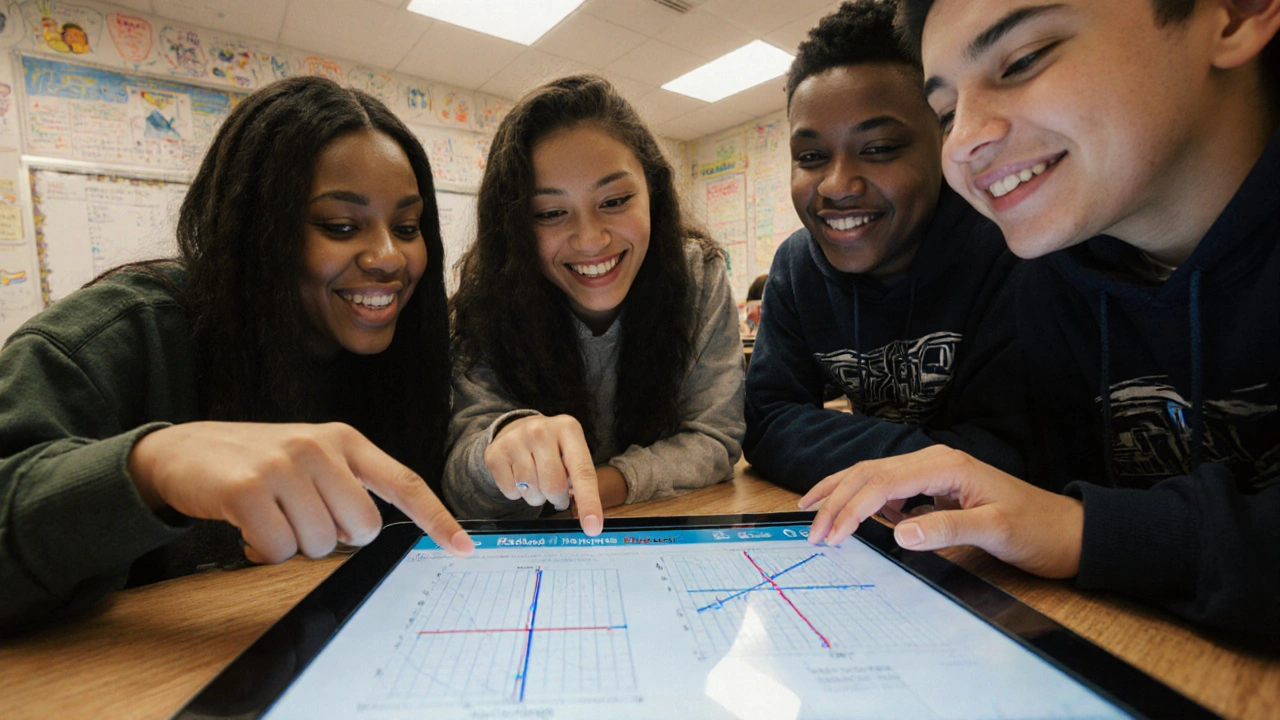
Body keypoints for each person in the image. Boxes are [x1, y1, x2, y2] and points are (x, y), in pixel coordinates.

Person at [805, 0, 1280, 642]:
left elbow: (1071, 524)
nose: (965, 138)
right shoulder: (1052, 278)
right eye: (945, 114)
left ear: (1234, 14)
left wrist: (1081, 531)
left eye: (1023, 60)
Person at [0, 76, 474, 633]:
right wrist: (152, 466)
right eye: (341, 226)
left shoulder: (407, 358)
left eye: (408, 227)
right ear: (257, 228)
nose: (389, 257)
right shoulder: (119, 334)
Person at [743, 0, 1025, 494]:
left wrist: (858, 452)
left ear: (944, 141)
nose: (835, 184)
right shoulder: (796, 267)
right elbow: (767, 421)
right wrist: (932, 461)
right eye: (810, 156)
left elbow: (1012, 455)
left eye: (878, 149)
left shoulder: (1007, 250)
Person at [445, 75, 745, 530]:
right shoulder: (489, 299)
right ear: (515, 227)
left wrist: (603, 484)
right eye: (549, 213)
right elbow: (463, 483)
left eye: (616, 200)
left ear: (654, 195)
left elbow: (716, 438)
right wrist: (501, 448)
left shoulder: (697, 275)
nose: (590, 239)